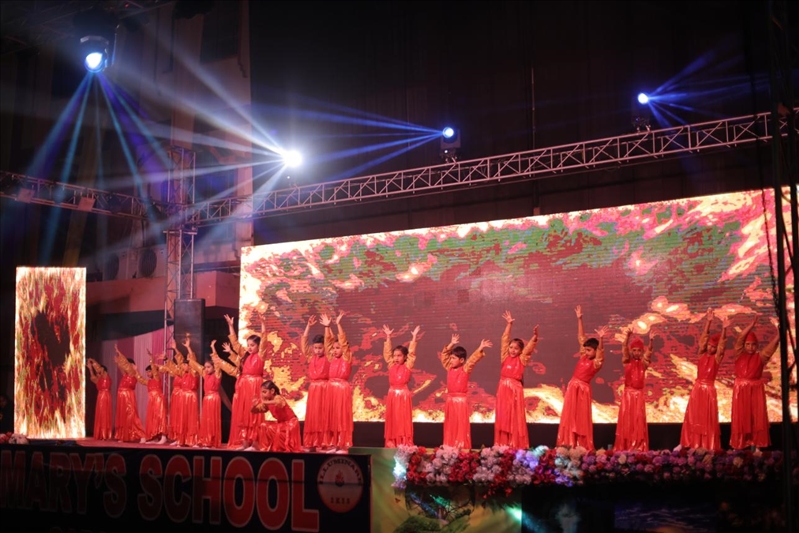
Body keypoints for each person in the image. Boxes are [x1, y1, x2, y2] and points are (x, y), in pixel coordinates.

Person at [556, 306, 607, 450]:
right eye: (585, 349)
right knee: (570, 415)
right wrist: (580, 319)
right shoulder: (583, 356)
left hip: (583, 390)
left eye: (589, 350)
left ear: (595, 351)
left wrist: (601, 339)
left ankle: (581, 443)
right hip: (573, 387)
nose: (586, 352)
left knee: (580, 417)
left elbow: (601, 353)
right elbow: (581, 338)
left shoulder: (596, 363)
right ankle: (568, 441)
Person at [680, 308, 728, 451]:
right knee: (693, 415)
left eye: (713, 347)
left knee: (707, 418)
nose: (710, 348)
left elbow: (722, 347)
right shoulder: (701, 355)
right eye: (709, 346)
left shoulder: (716, 358)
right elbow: (702, 340)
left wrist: (724, 330)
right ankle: (691, 442)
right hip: (698, 388)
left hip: (709, 390)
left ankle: (707, 445)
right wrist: (708, 321)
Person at [729, 315, 779, 450]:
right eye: (748, 344)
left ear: (757, 346)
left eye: (753, 345)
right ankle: (740, 445)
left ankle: (756, 445)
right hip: (741, 390)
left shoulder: (760, 357)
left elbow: (771, 347)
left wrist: (779, 335)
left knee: (756, 417)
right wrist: (750, 326)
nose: (750, 347)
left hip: (755, 390)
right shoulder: (739, 354)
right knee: (741, 417)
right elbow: (740, 338)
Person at [223, 313, 271, 450]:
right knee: (244, 414)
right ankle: (245, 443)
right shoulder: (245, 356)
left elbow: (264, 340)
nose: (249, 348)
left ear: (258, 346)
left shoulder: (260, 356)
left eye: (252, 345)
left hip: (255, 386)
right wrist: (231, 326)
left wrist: (263, 324)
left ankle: (255, 443)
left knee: (254, 415)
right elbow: (235, 344)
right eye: (248, 345)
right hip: (244, 387)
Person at [495, 310, 538, 448]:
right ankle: (503, 442)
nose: (512, 350)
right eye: (511, 347)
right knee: (503, 415)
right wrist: (509, 324)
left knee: (514, 416)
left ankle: (515, 443)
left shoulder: (522, 359)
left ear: (520, 351)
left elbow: (529, 349)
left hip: (515, 390)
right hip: (503, 388)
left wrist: (534, 337)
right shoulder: (504, 357)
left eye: (516, 348)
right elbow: (504, 339)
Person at [439, 333, 490, 449]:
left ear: (461, 360)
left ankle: (461, 445)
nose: (451, 360)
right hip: (450, 401)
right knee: (451, 424)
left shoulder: (465, 369)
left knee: (460, 425)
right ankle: (450, 445)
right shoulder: (449, 368)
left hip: (461, 402)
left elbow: (472, 360)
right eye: (451, 358)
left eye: (453, 358)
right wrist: (451, 344)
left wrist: (480, 348)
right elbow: (444, 356)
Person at [614, 328, 654, 451]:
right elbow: (624, 348)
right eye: (634, 350)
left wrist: (651, 341)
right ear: (631, 351)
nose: (636, 353)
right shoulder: (627, 361)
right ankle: (626, 445)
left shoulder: (644, 364)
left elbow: (649, 353)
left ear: (642, 351)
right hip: (628, 395)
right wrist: (627, 337)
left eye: (639, 350)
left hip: (639, 395)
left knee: (638, 421)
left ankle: (638, 445)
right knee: (627, 421)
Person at [382, 324, 421, 448]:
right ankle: (392, 442)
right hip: (392, 394)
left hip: (403, 395)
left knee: (402, 419)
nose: (396, 358)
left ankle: (403, 442)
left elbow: (412, 353)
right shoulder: (391, 365)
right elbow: (387, 353)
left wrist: (414, 338)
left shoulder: (407, 365)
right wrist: (388, 337)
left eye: (399, 356)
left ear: (404, 357)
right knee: (393, 418)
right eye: (395, 355)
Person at [322, 311, 353, 453]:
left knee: (341, 417)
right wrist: (327, 327)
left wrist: (338, 324)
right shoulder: (331, 358)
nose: (334, 350)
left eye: (337, 348)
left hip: (341, 389)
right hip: (331, 389)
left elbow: (343, 342)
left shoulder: (347, 357)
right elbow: (328, 343)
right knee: (332, 417)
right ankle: (333, 444)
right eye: (333, 348)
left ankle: (342, 444)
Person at [300, 316, 331, 452]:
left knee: (324, 415)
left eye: (320, 348)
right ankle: (312, 442)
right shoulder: (310, 357)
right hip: (314, 389)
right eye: (316, 348)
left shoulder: (328, 357)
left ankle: (324, 443)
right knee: (313, 416)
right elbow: (304, 343)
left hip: (325, 388)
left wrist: (327, 327)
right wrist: (308, 326)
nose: (318, 350)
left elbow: (329, 342)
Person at [250, 380, 302, 452]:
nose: (262, 395)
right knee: (262, 425)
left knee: (270, 427)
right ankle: (258, 447)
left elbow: (279, 402)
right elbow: (255, 411)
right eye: (261, 392)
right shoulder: (268, 401)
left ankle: (270, 448)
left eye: (264, 392)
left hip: (291, 424)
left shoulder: (278, 397)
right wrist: (254, 405)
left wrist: (265, 402)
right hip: (282, 424)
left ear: (272, 391)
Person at [189, 340, 223, 448]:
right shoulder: (205, 375)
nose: (206, 369)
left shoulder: (217, 375)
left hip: (214, 399)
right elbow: (195, 365)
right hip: (206, 399)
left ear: (213, 367)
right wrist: (188, 348)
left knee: (212, 420)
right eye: (205, 367)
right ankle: (204, 440)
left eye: (209, 367)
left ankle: (211, 441)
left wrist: (213, 348)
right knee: (206, 420)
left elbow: (217, 362)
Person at [112, 346, 146, 443]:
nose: (125, 366)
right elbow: (122, 368)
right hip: (121, 396)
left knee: (132, 415)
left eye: (128, 365)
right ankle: (123, 436)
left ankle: (142, 435)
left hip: (128, 396)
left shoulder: (133, 373)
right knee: (123, 416)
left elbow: (125, 364)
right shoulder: (126, 374)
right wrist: (118, 363)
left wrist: (119, 352)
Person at [139, 351, 168, 444]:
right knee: (153, 419)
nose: (148, 373)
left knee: (160, 418)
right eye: (146, 372)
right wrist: (135, 371)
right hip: (152, 402)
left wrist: (151, 359)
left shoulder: (156, 378)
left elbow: (155, 370)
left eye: (149, 371)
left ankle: (164, 436)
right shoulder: (149, 382)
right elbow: (140, 379)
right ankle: (154, 437)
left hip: (159, 400)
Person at [87, 358, 113, 440]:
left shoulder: (106, 377)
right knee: (100, 415)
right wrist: (90, 369)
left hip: (105, 396)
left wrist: (92, 360)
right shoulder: (99, 380)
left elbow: (98, 368)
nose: (98, 372)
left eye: (99, 370)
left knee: (105, 415)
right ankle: (100, 434)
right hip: (100, 397)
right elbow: (92, 377)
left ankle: (105, 434)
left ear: (104, 370)